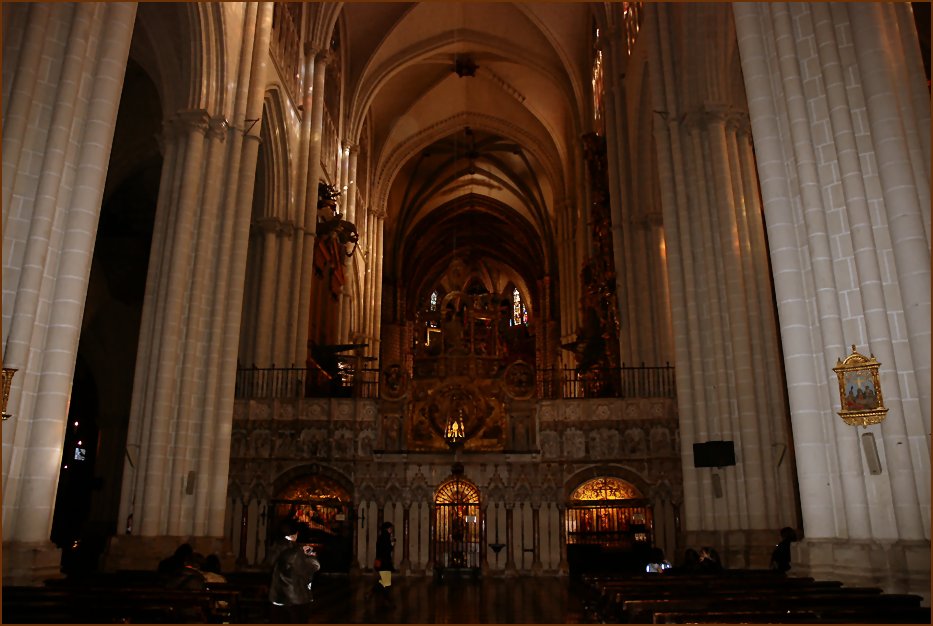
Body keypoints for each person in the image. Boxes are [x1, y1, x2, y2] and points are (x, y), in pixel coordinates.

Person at [268, 520, 321, 624]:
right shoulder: (296, 552)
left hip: (277, 596)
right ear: (295, 534)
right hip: (295, 597)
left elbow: (270, 564)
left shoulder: (275, 547)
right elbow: (314, 567)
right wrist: (311, 554)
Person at [370, 521, 396, 609]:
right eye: (390, 528)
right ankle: (388, 601)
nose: (391, 530)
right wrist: (392, 544)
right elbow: (387, 550)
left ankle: (371, 593)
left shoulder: (382, 537)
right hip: (384, 563)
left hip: (382, 562)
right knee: (386, 583)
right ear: (387, 529)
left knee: (383, 582)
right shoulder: (385, 538)